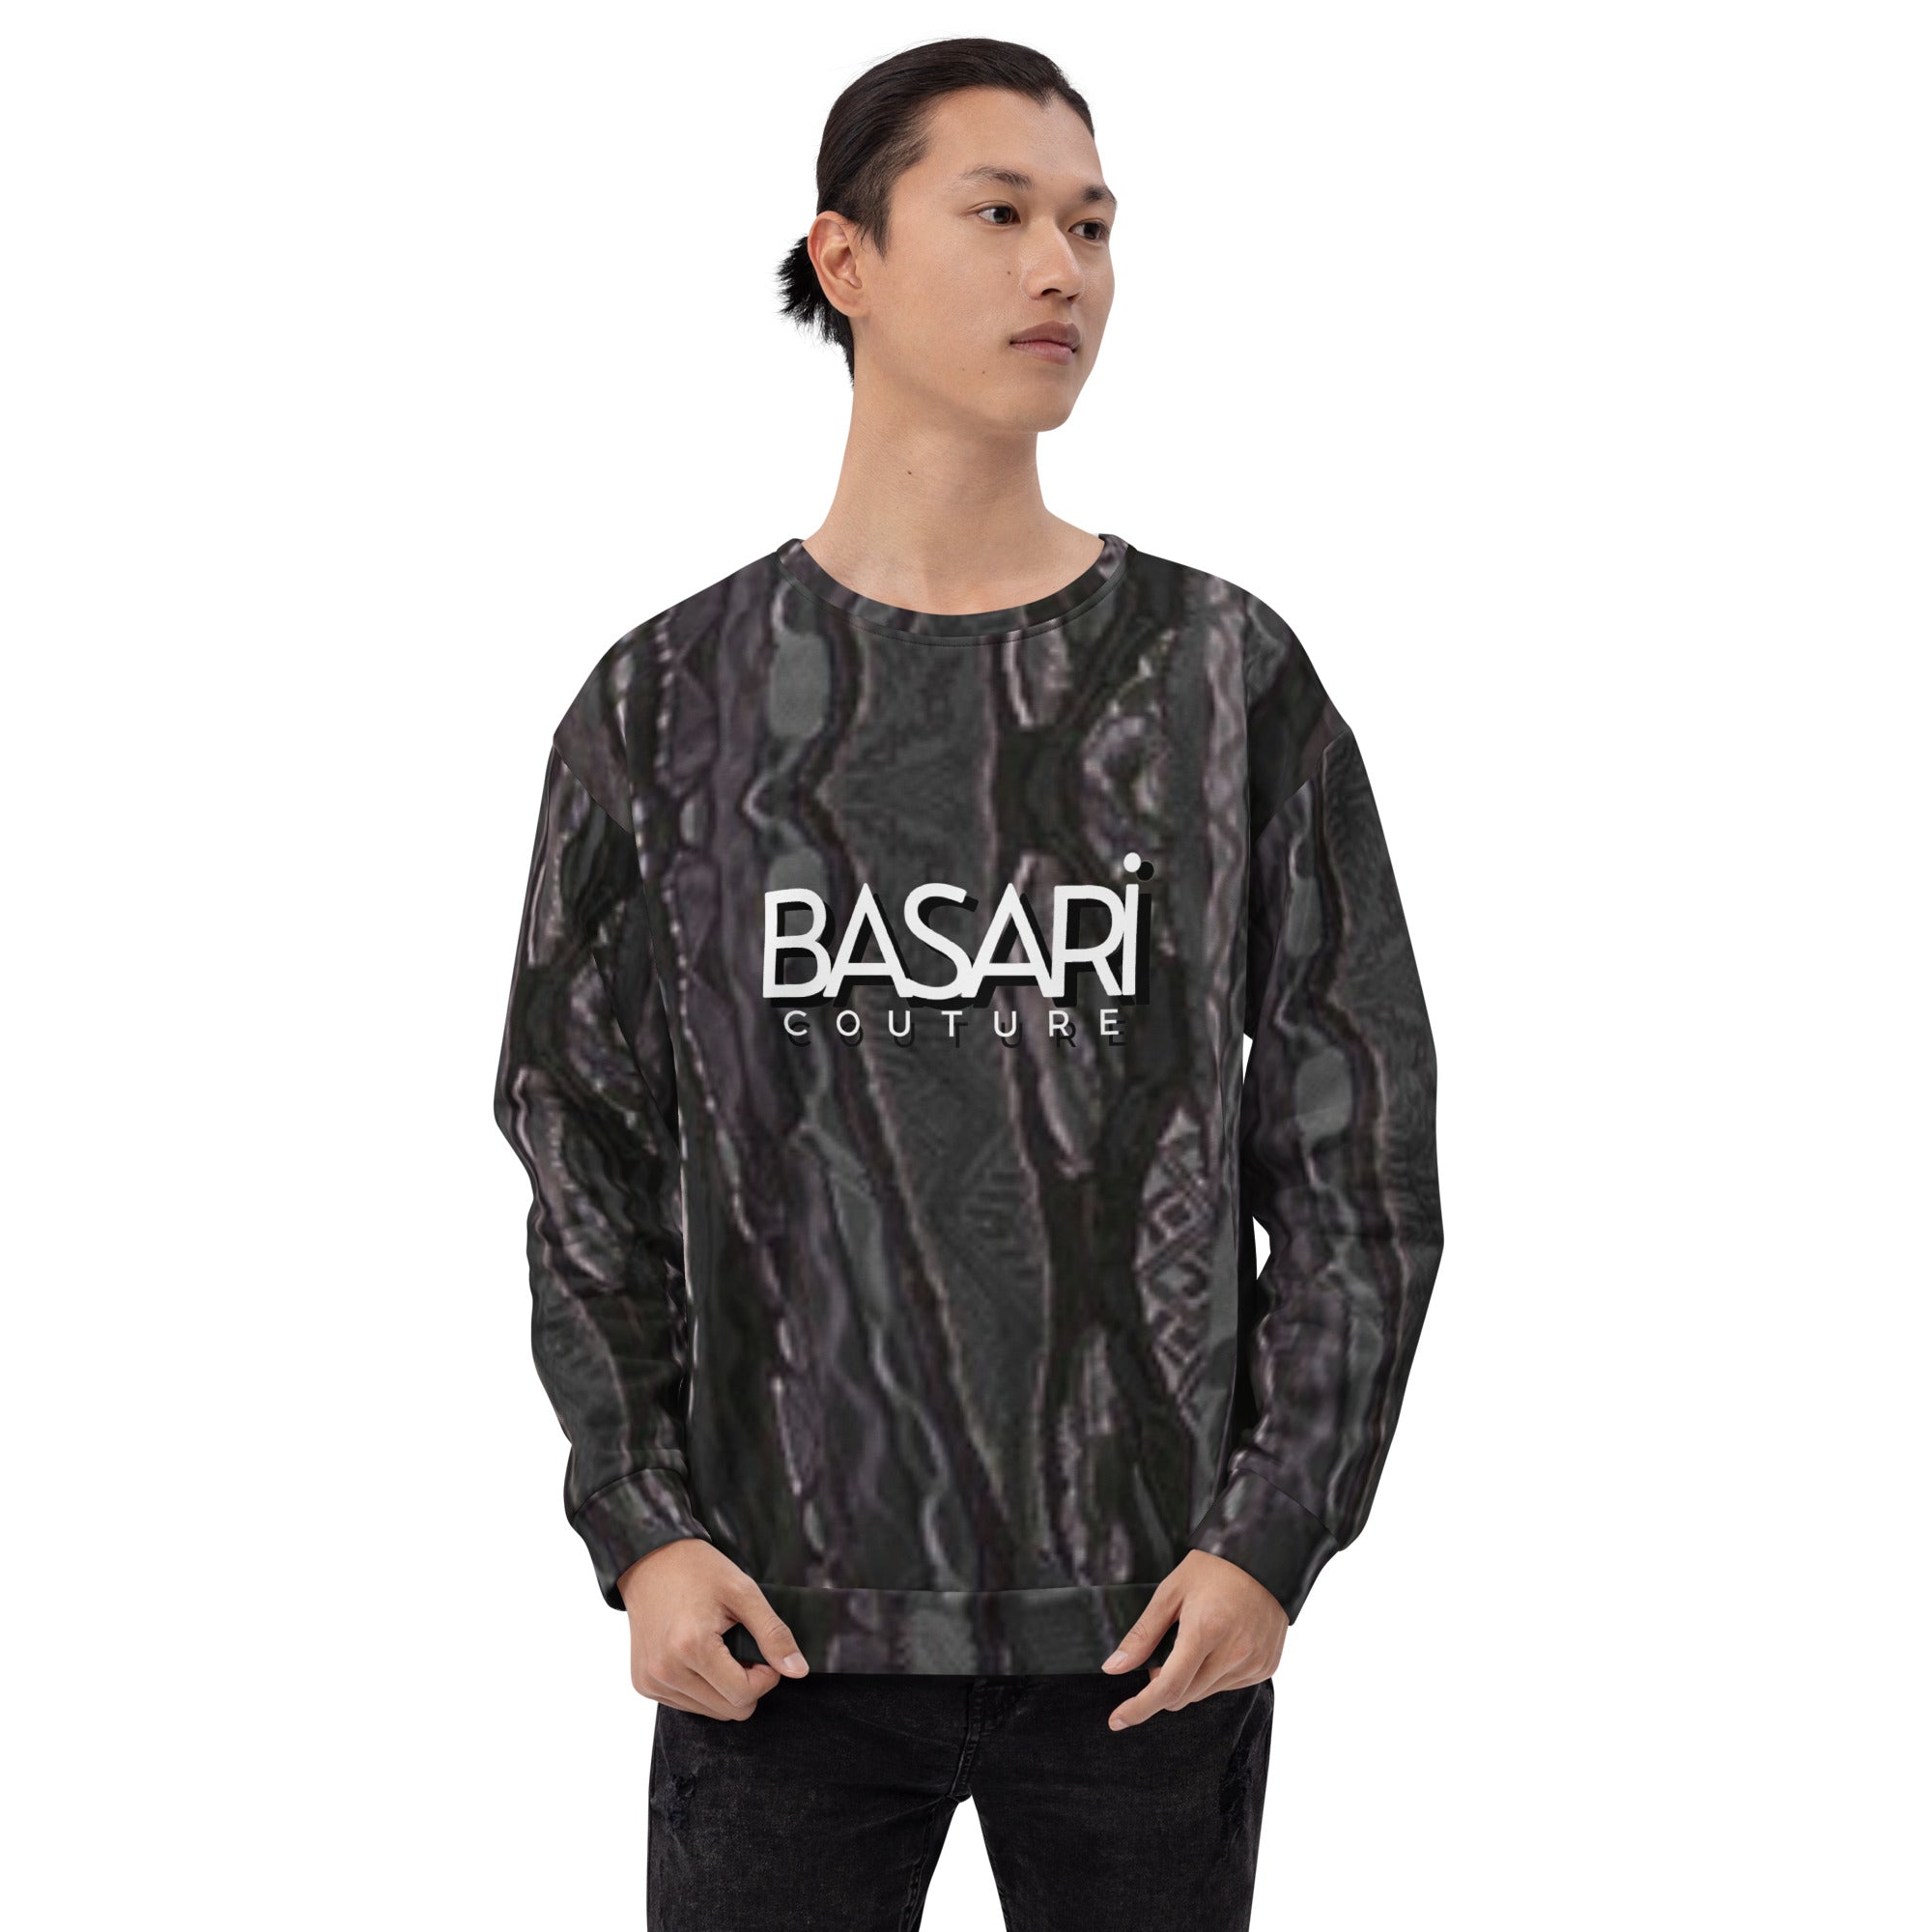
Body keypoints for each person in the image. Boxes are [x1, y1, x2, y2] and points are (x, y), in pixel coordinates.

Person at [492, 36, 1443, 1931]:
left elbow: (1357, 1148)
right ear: (842, 259)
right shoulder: (670, 702)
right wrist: (643, 1529)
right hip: (772, 1633)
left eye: (1091, 225)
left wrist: (1275, 1533)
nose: (1060, 270)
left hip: (1151, 1632)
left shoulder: (1220, 681)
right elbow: (580, 1144)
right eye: (997, 214)